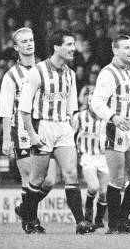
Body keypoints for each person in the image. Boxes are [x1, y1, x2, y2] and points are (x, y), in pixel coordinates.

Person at [19, 29, 94, 235]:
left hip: (63, 128)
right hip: (43, 127)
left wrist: (73, 126)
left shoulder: (70, 74)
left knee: (71, 174)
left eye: (73, 44)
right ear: (56, 47)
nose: (73, 48)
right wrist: (32, 134)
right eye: (69, 44)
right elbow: (24, 108)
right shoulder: (38, 71)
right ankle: (30, 219)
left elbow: (72, 107)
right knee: (38, 179)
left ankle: (81, 223)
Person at [0, 27, 58, 233]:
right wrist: (7, 138)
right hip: (21, 130)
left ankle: (25, 209)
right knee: (29, 176)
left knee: (49, 180)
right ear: (16, 47)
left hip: (43, 128)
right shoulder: (11, 76)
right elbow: (5, 109)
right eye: (24, 41)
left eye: (31, 40)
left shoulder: (43, 68)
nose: (29, 44)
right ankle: (31, 223)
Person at [90, 34, 130, 234]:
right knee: (116, 179)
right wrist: (113, 117)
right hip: (115, 130)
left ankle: (123, 217)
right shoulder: (108, 74)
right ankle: (114, 224)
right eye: (126, 47)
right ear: (115, 50)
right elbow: (96, 103)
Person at [72, 93, 108, 229]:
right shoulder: (79, 117)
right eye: (92, 102)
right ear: (88, 103)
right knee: (93, 186)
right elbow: (71, 135)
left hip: (103, 157)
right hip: (87, 156)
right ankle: (88, 215)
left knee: (104, 192)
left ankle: (98, 220)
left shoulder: (107, 117)